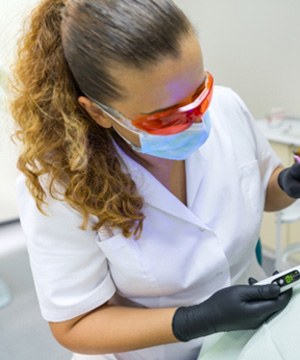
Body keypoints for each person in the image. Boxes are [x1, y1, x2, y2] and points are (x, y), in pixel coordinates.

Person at [10, 0, 300, 359]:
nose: (195, 120)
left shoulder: (226, 108)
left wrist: (287, 182)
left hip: (247, 337)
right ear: (99, 113)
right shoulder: (59, 183)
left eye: (199, 93)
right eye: (165, 118)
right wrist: (196, 319)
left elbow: (263, 192)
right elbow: (74, 324)